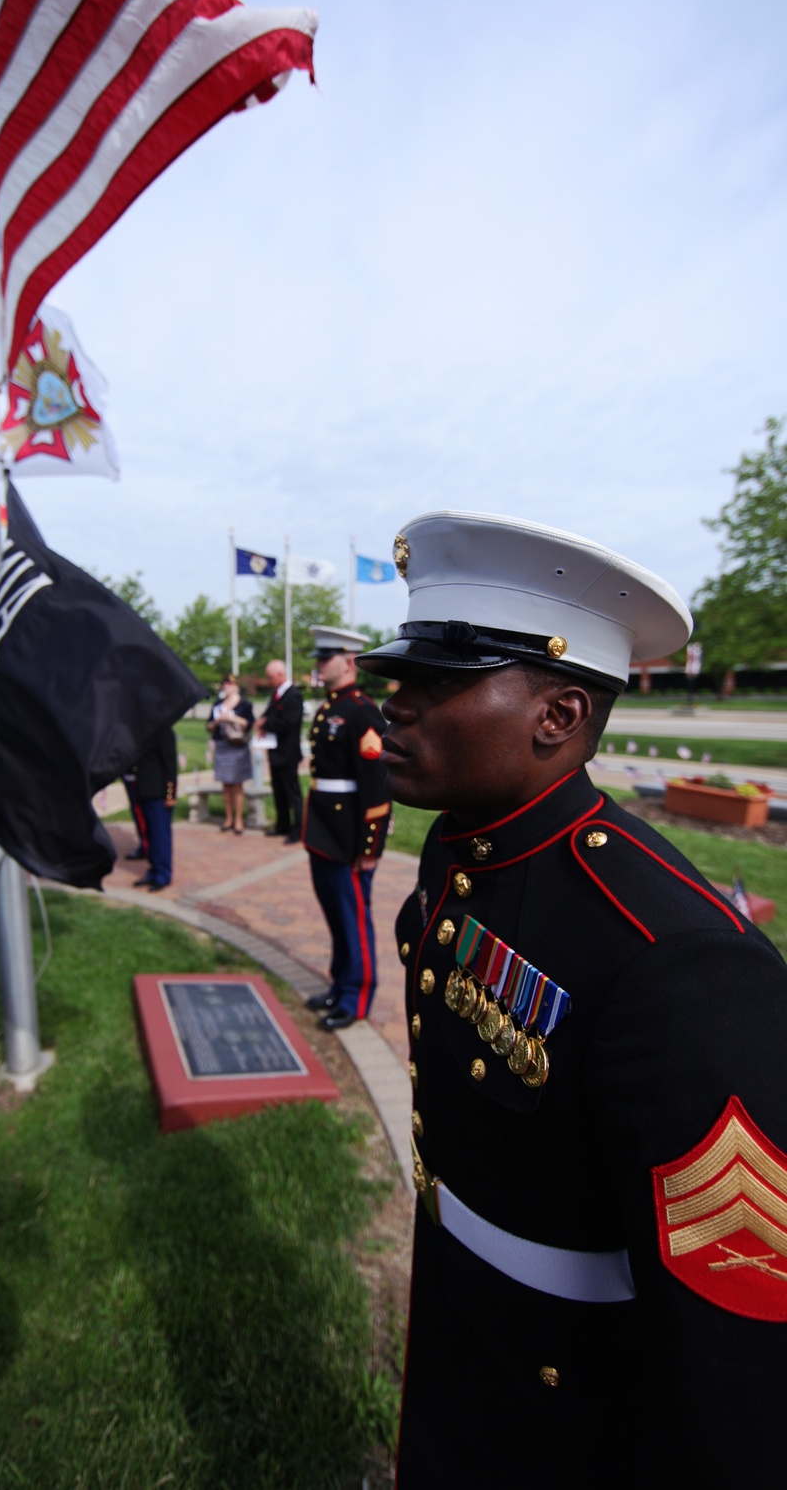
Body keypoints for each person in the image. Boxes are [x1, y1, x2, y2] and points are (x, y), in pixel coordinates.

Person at [354, 510, 787, 1486]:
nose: (396, 703)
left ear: (559, 717)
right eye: (399, 678)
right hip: (467, 1327)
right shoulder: (467, 844)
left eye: (440, 682)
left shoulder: (674, 961)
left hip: (576, 1411)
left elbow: (740, 1347)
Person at [302, 627, 391, 1031]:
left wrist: (370, 847)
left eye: (326, 658)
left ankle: (356, 997)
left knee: (353, 917)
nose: (319, 665)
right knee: (335, 915)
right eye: (318, 658)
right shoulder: (328, 708)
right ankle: (340, 984)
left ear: (350, 660)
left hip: (347, 836)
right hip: (323, 827)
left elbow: (376, 789)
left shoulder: (362, 712)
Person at [256, 658, 304, 843]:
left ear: (280, 675)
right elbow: (269, 714)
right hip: (275, 752)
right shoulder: (276, 695)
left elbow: (288, 723)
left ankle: (298, 828)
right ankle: (282, 824)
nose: (268, 681)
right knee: (278, 791)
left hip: (288, 753)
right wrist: (263, 721)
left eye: (270, 678)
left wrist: (266, 724)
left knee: (291, 792)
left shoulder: (293, 695)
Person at [129, 726, 177, 892]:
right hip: (143, 790)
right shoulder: (142, 730)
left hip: (159, 794)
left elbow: (170, 765)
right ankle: (153, 870)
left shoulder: (164, 731)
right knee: (150, 835)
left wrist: (170, 795)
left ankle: (163, 874)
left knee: (160, 836)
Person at [206, 676, 254, 834]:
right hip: (222, 745)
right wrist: (218, 721)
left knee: (237, 784)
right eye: (224, 683)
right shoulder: (217, 705)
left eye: (230, 683)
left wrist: (232, 718)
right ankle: (229, 818)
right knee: (226, 784)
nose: (226, 686)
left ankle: (239, 820)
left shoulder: (245, 704)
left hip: (237, 745)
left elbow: (249, 723)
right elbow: (208, 726)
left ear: (236, 686)